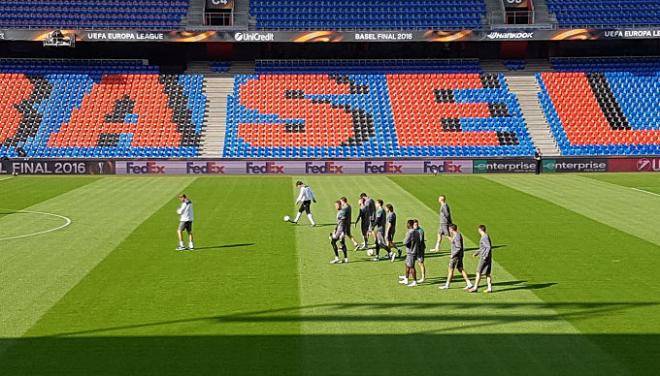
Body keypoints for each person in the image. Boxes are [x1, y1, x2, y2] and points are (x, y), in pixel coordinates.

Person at [439, 224, 473, 290]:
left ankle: (447, 285)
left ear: (451, 229)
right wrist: (449, 238)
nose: (449, 230)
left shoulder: (457, 236)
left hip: (456, 256)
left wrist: (453, 255)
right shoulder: (456, 235)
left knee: (450, 269)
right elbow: (455, 242)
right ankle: (469, 283)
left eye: (449, 229)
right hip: (459, 255)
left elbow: (458, 247)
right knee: (460, 269)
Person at [469, 225, 493, 293]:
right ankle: (489, 288)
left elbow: (488, 247)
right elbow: (483, 247)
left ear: (480, 230)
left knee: (478, 272)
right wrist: (477, 253)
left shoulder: (484, 237)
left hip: (484, 258)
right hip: (487, 257)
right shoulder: (485, 236)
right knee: (487, 273)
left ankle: (475, 287)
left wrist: (485, 256)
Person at [399, 220, 420, 287]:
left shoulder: (410, 233)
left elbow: (405, 242)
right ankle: (406, 278)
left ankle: (414, 281)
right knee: (407, 264)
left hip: (410, 252)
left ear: (409, 225)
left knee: (411, 267)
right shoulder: (417, 232)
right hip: (414, 251)